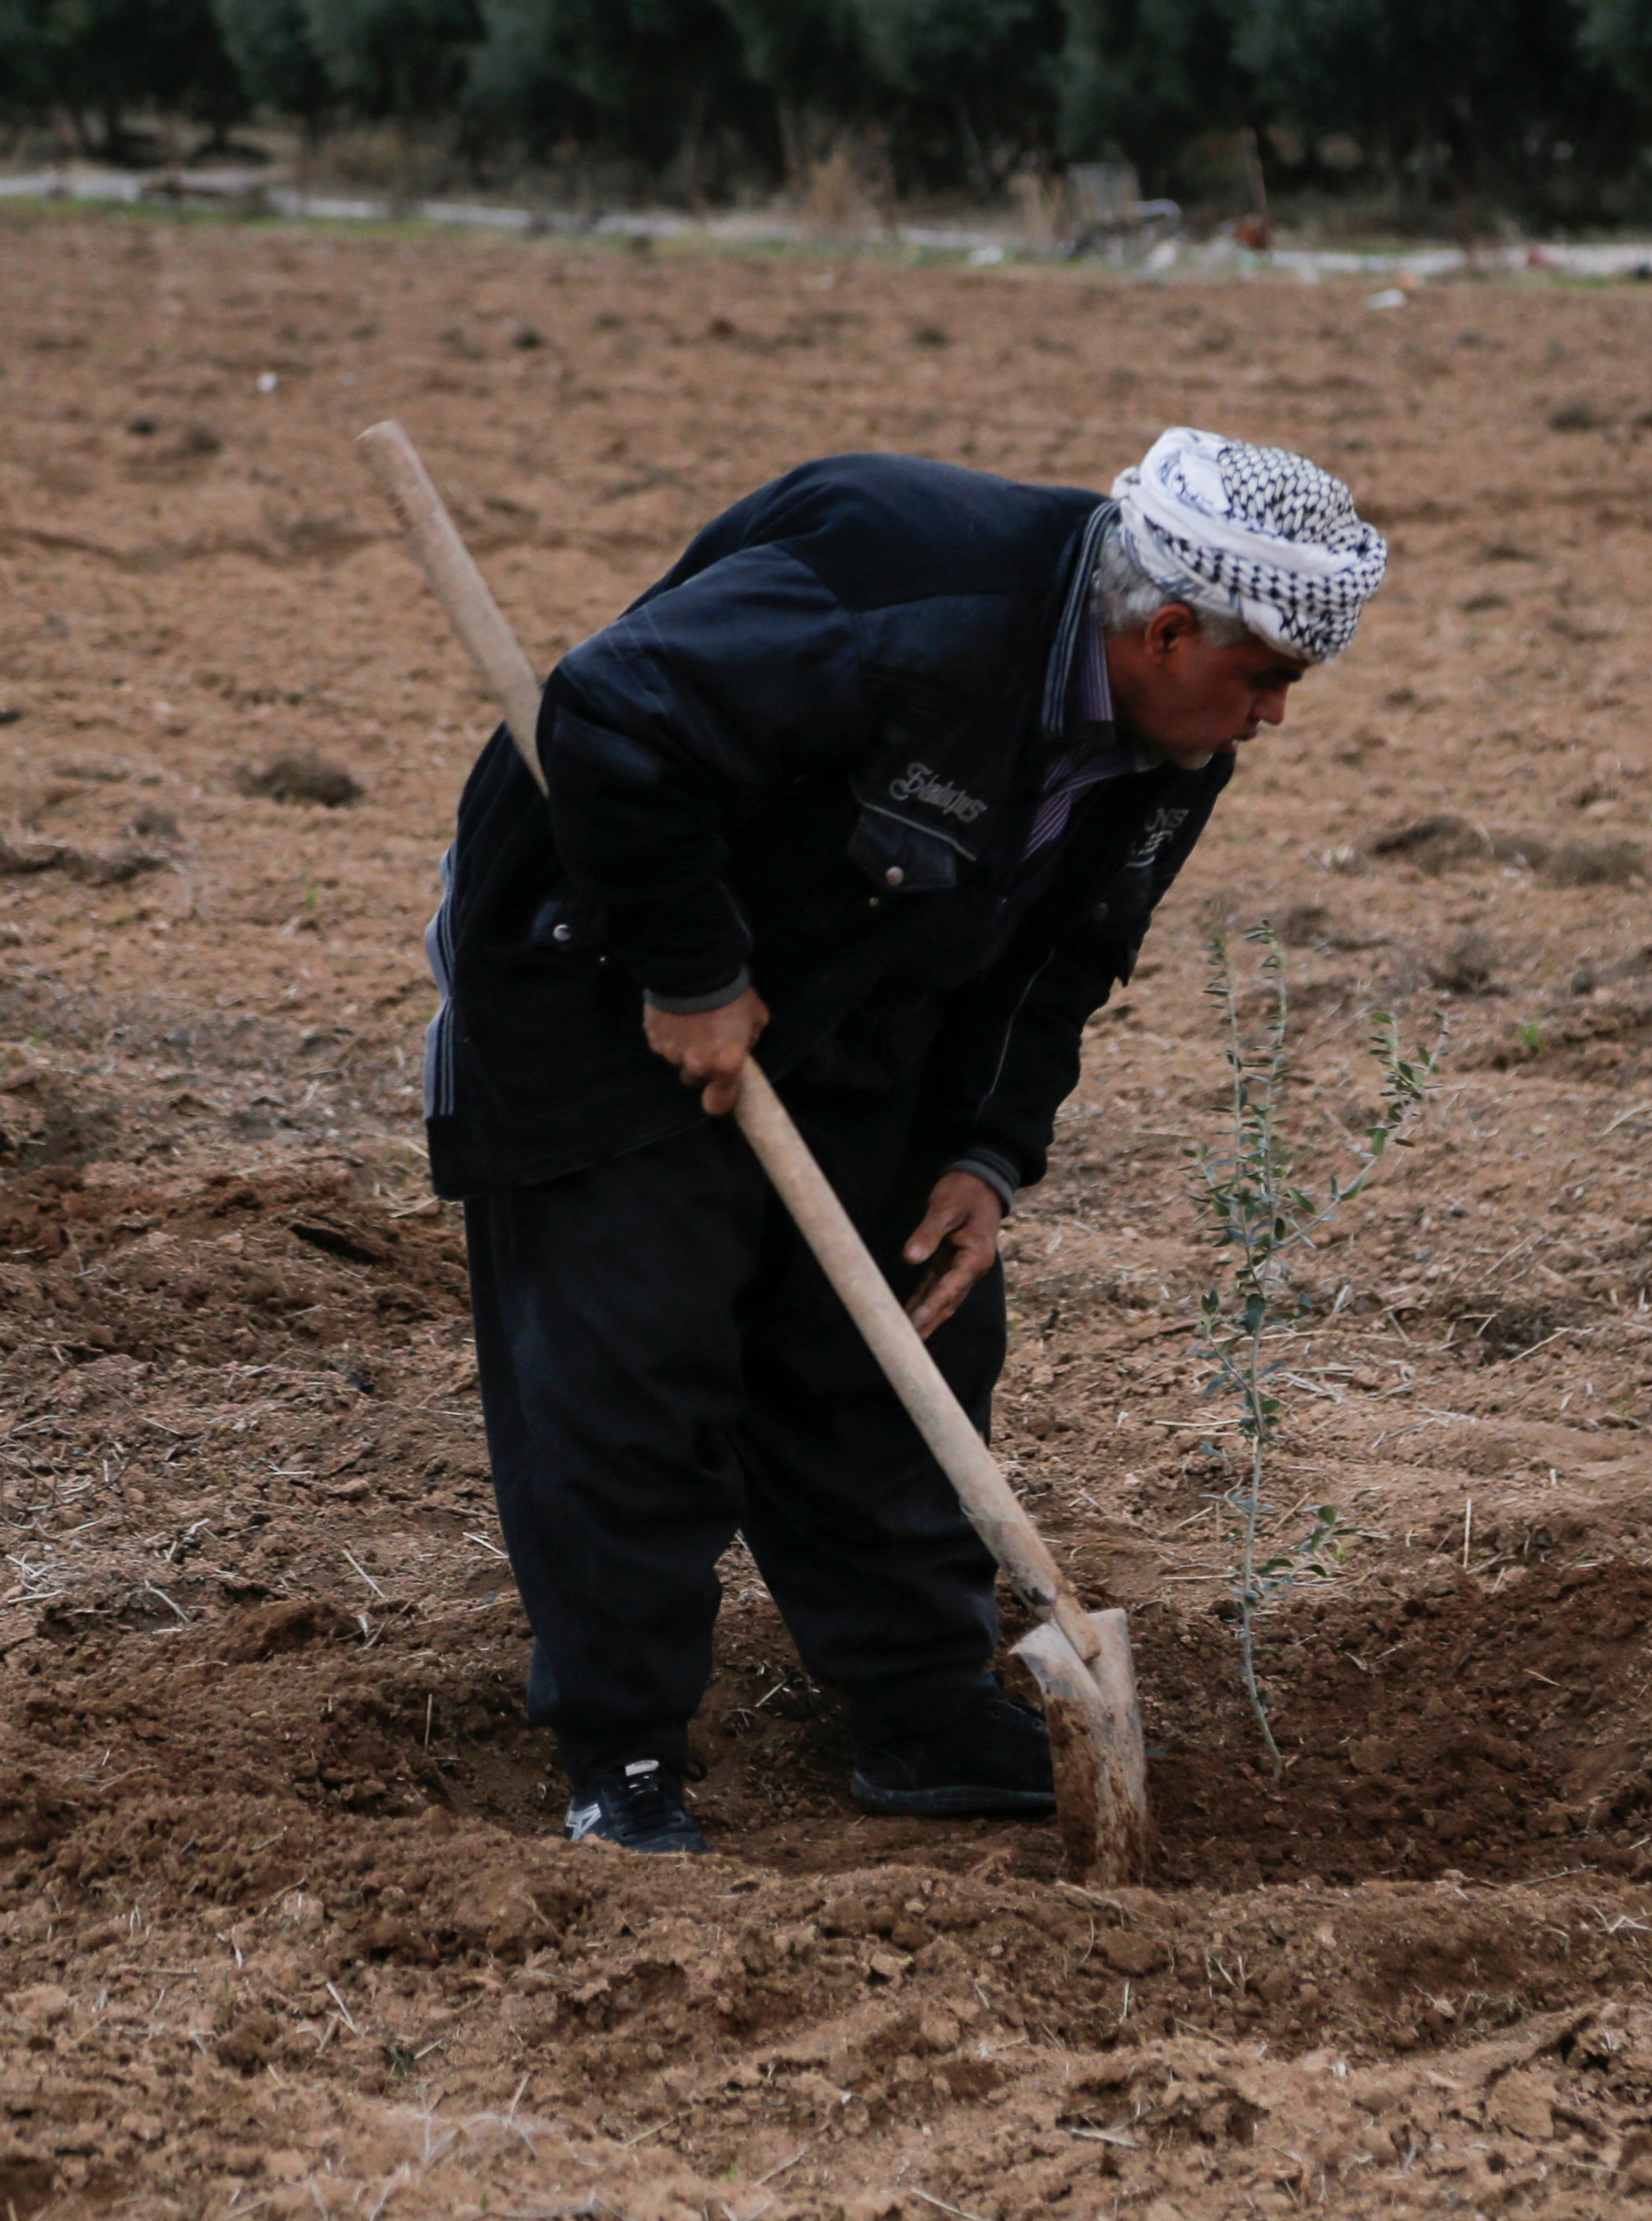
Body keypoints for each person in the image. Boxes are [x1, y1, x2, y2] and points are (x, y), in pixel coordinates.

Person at [423, 427, 1389, 1854]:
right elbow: (614, 714)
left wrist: (984, 1152)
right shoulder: (910, 604)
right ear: (1167, 627)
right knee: (633, 1348)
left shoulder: (1173, 736)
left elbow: (1060, 961)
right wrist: (686, 971)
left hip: (861, 975)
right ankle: (620, 1752)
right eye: (1264, 681)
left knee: (910, 1309)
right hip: (595, 950)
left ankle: (922, 1708)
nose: (1273, 719)